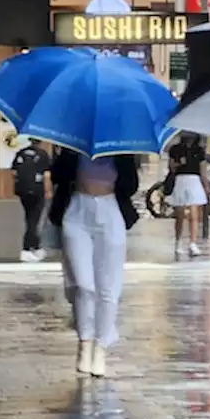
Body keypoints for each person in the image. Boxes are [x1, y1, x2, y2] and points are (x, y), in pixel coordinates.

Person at [49, 149, 140, 378]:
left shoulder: (121, 149)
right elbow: (57, 174)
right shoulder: (74, 147)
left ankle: (101, 346)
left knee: (109, 287)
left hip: (110, 211)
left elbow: (131, 185)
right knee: (83, 284)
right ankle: (85, 341)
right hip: (78, 211)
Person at [167, 133, 209, 256]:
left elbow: (202, 170)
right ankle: (178, 241)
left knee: (194, 213)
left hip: (194, 181)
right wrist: (180, 163)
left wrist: (205, 184)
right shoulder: (175, 149)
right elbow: (171, 167)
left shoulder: (199, 151)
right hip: (180, 180)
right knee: (179, 214)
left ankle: (193, 243)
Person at [11, 140, 52, 262]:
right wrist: (48, 191)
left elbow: (13, 172)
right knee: (34, 220)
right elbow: (47, 175)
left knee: (29, 218)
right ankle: (27, 249)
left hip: (23, 190)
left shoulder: (21, 153)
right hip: (37, 190)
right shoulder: (43, 154)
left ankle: (36, 247)